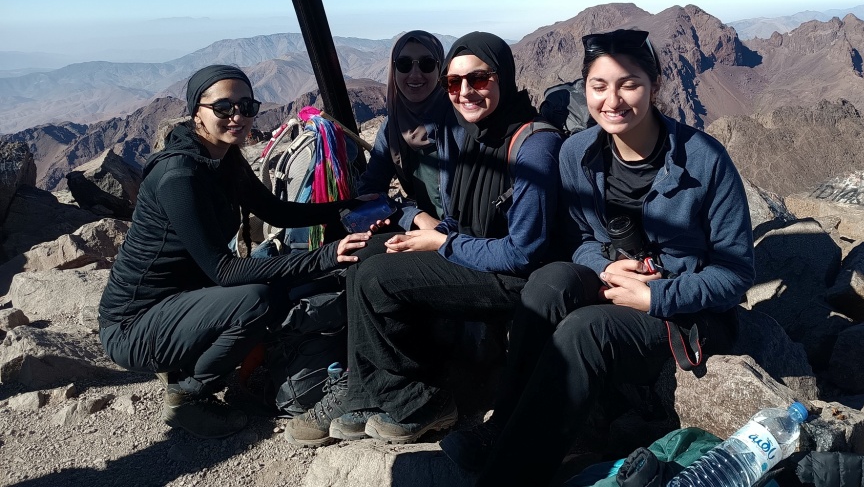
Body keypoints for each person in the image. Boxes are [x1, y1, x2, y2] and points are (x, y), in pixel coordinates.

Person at [440, 29, 755, 485]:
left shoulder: (704, 160)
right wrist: (603, 266)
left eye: (629, 84)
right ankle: (503, 425)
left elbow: (736, 272)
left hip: (685, 311)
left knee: (584, 332)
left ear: (655, 84)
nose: (613, 100)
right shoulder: (577, 153)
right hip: (615, 280)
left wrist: (657, 297)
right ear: (583, 88)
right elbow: (580, 237)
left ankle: (509, 476)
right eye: (598, 86)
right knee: (548, 284)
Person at [284, 31, 563, 447]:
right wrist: (417, 226)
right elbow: (448, 213)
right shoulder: (469, 133)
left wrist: (441, 244)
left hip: (513, 276)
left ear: (503, 77)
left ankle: (419, 402)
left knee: (380, 276)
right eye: (455, 82)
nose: (465, 91)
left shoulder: (533, 147)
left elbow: (524, 252)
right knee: (371, 252)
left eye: (479, 79)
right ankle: (364, 392)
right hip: (469, 251)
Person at [98, 64, 373, 439]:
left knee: (274, 282)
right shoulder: (181, 177)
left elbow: (276, 211)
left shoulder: (221, 158)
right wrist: (327, 255)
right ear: (197, 110)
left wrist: (349, 207)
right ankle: (189, 396)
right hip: (133, 326)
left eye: (247, 105)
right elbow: (224, 272)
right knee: (258, 299)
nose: (238, 116)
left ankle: (188, 355)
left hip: (179, 302)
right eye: (224, 108)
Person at [355, 30, 456, 231]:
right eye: (404, 64)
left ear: (440, 69)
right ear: (394, 70)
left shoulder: (460, 119)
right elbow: (370, 190)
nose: (415, 74)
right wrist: (414, 216)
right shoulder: (391, 128)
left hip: (468, 236)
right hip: (426, 231)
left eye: (427, 63)